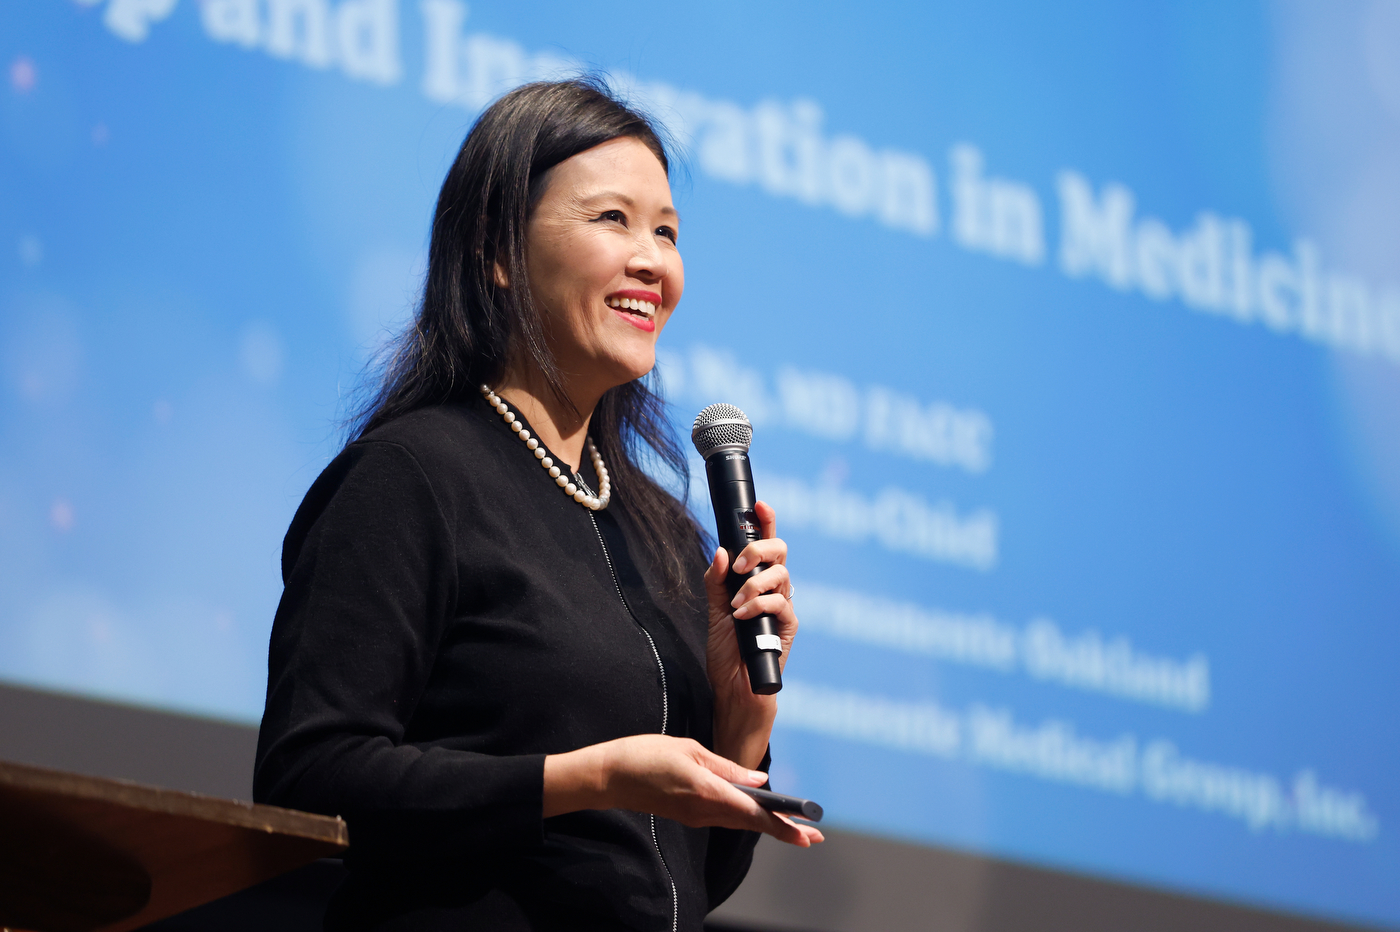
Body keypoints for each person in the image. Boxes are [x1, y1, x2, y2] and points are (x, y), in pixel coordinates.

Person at [253, 78, 821, 931]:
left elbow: (680, 882)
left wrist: (741, 727)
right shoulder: (410, 476)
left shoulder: (660, 532)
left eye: (666, 232)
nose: (651, 260)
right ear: (498, 251)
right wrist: (587, 779)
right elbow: (310, 775)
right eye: (612, 220)